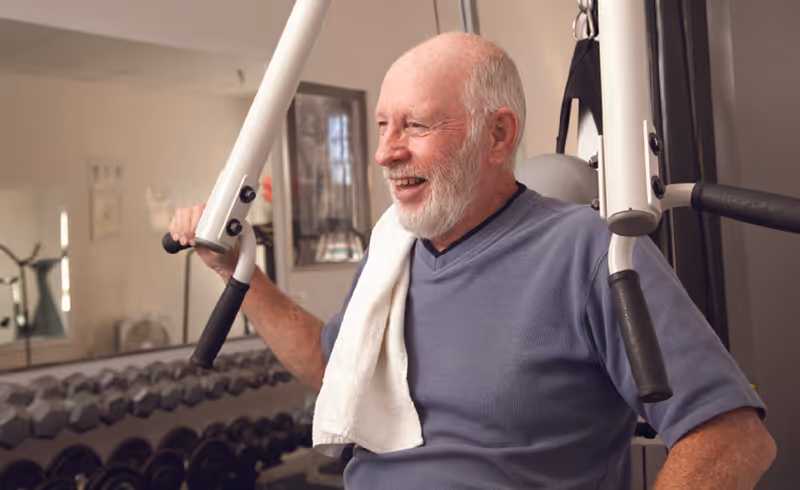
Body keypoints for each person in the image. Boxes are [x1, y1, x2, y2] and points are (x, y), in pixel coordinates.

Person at [170, 32, 776, 489]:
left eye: (415, 124)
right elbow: (333, 371)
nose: (385, 152)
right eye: (383, 125)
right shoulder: (393, 249)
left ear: (498, 136)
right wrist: (235, 273)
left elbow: (732, 437)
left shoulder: (587, 251)